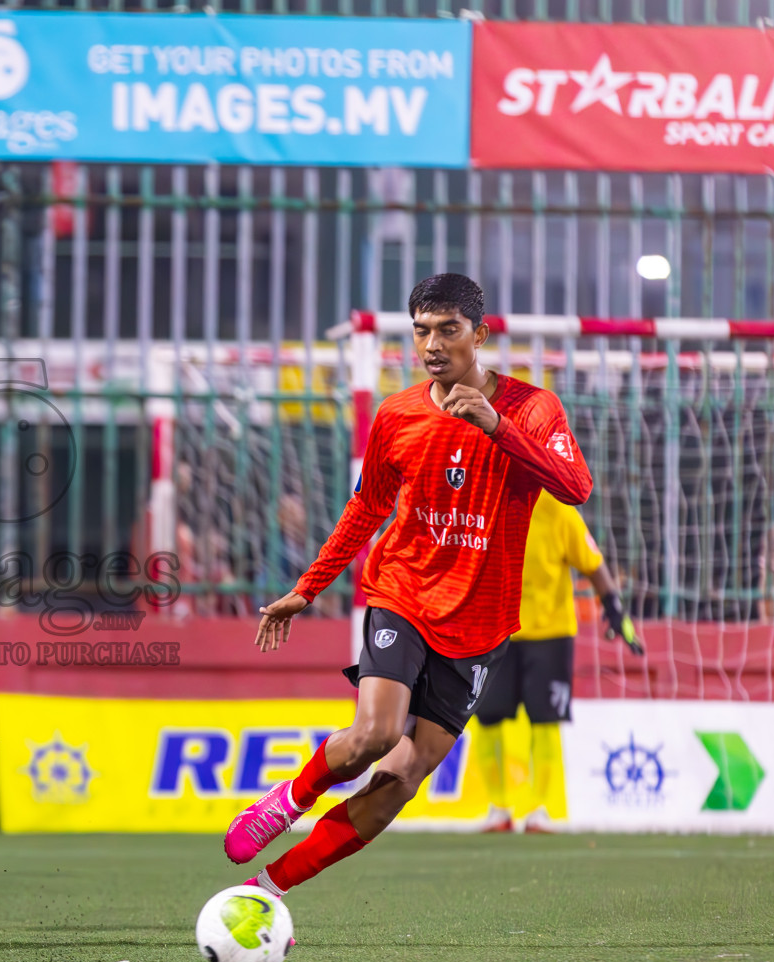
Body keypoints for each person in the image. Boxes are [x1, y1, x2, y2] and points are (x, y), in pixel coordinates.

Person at [224, 273, 592, 898]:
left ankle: (268, 890)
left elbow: (575, 488)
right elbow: (366, 509)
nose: (432, 344)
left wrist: (497, 427)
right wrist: (307, 588)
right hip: (404, 592)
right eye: (422, 331)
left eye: (448, 330)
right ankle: (289, 798)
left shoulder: (533, 408)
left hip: (479, 625)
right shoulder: (397, 414)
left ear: (479, 335)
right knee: (376, 733)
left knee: (403, 777)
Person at [473, 490, 644, 834]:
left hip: (550, 632)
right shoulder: (485, 501)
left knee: (546, 718)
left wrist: (614, 607)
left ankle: (539, 809)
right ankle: (499, 808)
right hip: (494, 628)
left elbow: (593, 563)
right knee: (488, 716)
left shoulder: (559, 509)